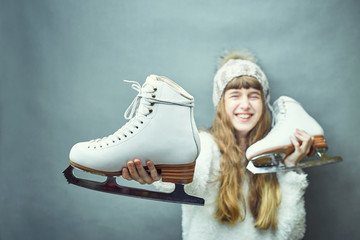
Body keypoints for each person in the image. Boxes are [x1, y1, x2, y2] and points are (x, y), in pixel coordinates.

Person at [121, 51, 313, 240]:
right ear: (220, 103)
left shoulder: (273, 157)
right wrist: (161, 172)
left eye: (254, 96)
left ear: (264, 103)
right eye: (235, 95)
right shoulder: (204, 145)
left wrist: (290, 168)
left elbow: (292, 233)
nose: (245, 104)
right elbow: (191, 180)